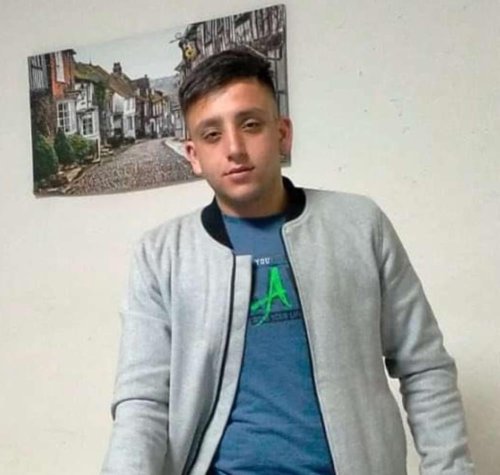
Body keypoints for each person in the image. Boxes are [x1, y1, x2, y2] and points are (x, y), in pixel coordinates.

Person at [101, 48, 474, 475]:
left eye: (250, 125)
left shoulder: (359, 225)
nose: (234, 148)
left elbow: (424, 365)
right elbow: (142, 401)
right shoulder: (160, 254)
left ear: (282, 134)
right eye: (212, 134)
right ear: (193, 155)